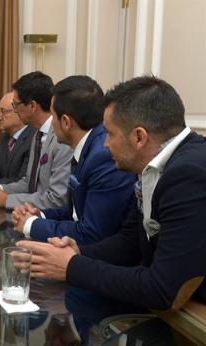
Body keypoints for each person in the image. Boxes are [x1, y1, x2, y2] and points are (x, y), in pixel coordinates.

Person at [18, 76, 206, 309]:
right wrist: (79, 251)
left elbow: (161, 290)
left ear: (139, 137)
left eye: (109, 134)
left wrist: (72, 266)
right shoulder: (151, 162)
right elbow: (130, 242)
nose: (105, 144)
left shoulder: (189, 175)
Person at [11, 76, 135, 245]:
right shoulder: (89, 146)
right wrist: (40, 215)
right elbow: (76, 212)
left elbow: (91, 233)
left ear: (66, 122)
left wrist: (31, 225)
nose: (51, 124)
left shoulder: (102, 156)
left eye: (53, 116)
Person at [0, 72, 73, 210]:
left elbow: (57, 199)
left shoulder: (61, 138)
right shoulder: (38, 134)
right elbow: (29, 183)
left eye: (16, 104)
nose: (15, 110)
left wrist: (7, 200)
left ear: (33, 106)